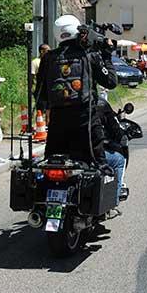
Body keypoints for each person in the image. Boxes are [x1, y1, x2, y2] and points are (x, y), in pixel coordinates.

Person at [35, 14, 124, 217]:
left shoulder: (48, 58)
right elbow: (110, 81)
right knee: (103, 166)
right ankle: (104, 208)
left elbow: (39, 95)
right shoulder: (89, 55)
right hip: (86, 126)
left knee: (50, 166)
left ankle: (44, 205)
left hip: (57, 128)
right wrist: (107, 55)